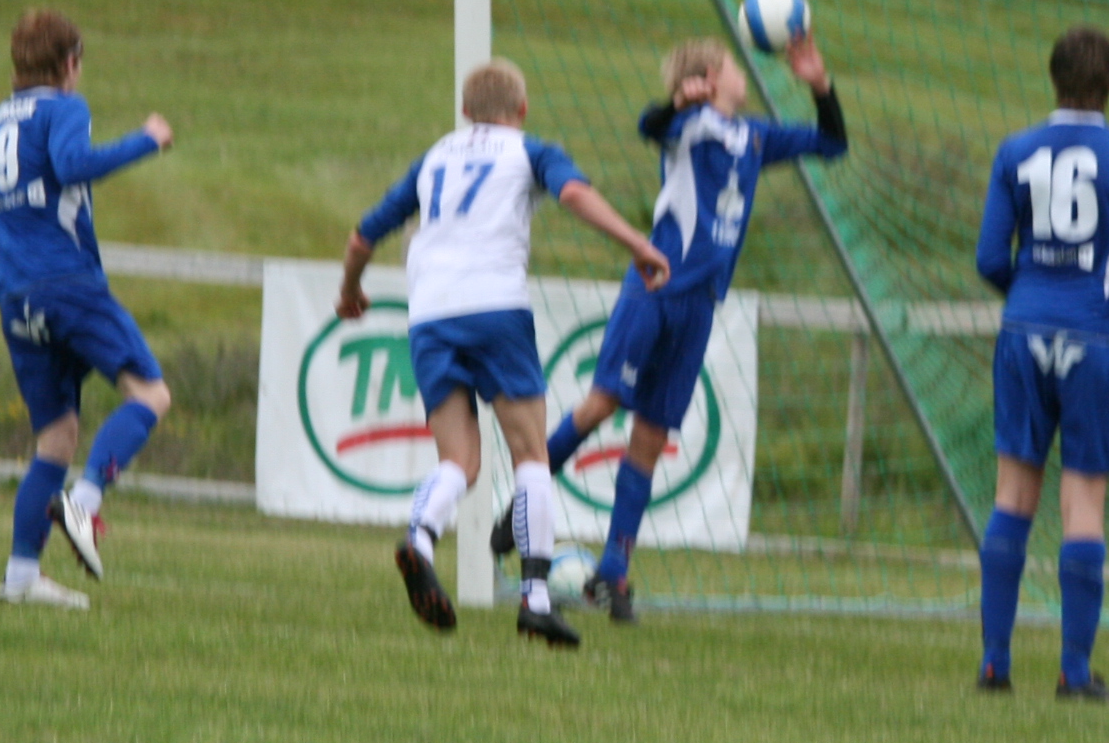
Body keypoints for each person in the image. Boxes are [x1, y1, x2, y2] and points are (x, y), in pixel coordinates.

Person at [496, 33, 845, 625]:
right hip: (656, 285)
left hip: (701, 305)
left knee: (652, 437)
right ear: (707, 78)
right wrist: (678, 103)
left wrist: (820, 85)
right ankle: (525, 502)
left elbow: (832, 142)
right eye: (732, 65)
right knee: (603, 402)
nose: (742, 73)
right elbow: (649, 125)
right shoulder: (690, 127)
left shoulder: (754, 136)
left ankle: (614, 572)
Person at [334, 59, 669, 646]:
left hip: (430, 314)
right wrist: (637, 243)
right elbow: (574, 194)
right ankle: (536, 600)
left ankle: (419, 538)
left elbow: (364, 235)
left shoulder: (434, 157)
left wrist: (350, 291)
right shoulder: (530, 150)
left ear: (466, 111)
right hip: (496, 308)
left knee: (459, 461)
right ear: (522, 109)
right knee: (531, 455)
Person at [972, 26, 1109, 703]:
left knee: (1012, 495)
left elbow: (989, 258)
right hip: (1096, 338)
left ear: (1053, 78)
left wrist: (1032, 296)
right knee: (1083, 501)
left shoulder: (1015, 149)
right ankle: (1072, 672)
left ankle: (994, 664)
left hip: (1024, 330)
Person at [0, 9, 173, 610]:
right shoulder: (65, 108)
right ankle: (84, 502)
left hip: (15, 291)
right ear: (70, 62)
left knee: (56, 436)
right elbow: (73, 164)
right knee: (150, 394)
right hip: (68, 281)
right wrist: (147, 140)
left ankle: (22, 576)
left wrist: (19, 204)